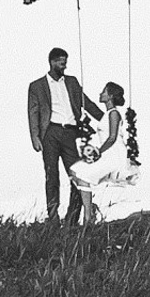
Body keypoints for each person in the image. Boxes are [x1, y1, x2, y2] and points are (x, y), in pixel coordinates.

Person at [25, 46, 101, 227]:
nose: (64, 66)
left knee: (78, 176)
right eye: (61, 63)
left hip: (71, 133)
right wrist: (35, 137)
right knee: (52, 176)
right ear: (52, 62)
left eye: (65, 63)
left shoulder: (72, 82)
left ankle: (71, 220)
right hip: (50, 133)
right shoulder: (37, 86)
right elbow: (33, 112)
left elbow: (87, 103)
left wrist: (106, 119)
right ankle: (53, 220)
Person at [67, 79, 143, 226]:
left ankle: (88, 216)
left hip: (114, 154)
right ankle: (90, 212)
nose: (100, 94)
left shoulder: (114, 113)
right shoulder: (107, 114)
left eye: (104, 92)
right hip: (107, 152)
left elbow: (112, 137)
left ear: (110, 96)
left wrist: (98, 152)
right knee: (76, 172)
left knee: (82, 175)